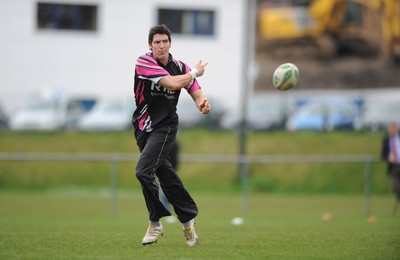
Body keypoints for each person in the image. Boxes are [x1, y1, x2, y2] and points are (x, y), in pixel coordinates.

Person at [132, 24, 210, 247]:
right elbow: (174, 83)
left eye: (165, 41)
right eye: (157, 42)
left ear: (170, 43)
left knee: (143, 171)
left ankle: (154, 223)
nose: (161, 45)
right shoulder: (144, 62)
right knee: (165, 174)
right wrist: (194, 72)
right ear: (150, 45)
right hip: (142, 127)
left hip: (165, 127)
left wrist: (202, 103)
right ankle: (188, 222)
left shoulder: (180, 66)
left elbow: (194, 88)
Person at [381, 122, 400, 211]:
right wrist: (388, 158)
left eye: (394, 128)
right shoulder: (386, 140)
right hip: (393, 167)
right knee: (395, 186)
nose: (392, 130)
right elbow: (382, 155)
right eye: (390, 128)